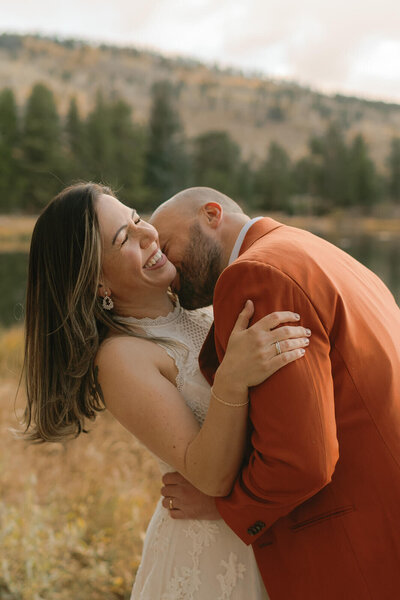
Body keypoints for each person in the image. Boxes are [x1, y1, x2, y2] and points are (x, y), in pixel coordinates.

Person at [22, 182, 310, 600]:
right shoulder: (123, 357)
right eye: (125, 239)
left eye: (136, 218)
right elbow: (209, 475)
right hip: (212, 558)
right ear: (98, 283)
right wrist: (232, 377)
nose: (148, 235)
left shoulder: (205, 297)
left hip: (266, 526)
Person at [151, 186, 400, 600]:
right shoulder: (310, 248)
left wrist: (225, 507)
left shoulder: (255, 274)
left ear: (212, 215)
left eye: (166, 245)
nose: (167, 270)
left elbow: (301, 458)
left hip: (356, 542)